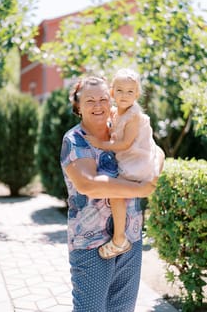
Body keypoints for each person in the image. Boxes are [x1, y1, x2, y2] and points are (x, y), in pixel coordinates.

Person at [60, 75, 164, 312]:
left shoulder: (123, 126)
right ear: (78, 105)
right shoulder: (75, 140)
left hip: (130, 238)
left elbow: (157, 153)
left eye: (103, 99)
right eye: (89, 100)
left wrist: (152, 178)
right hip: (91, 243)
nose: (98, 105)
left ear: (112, 100)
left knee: (123, 309)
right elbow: (89, 184)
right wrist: (140, 188)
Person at [85, 68, 161, 260]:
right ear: (112, 92)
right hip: (131, 158)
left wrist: (102, 144)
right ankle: (122, 235)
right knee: (118, 194)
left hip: (137, 162)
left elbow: (126, 143)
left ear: (137, 94)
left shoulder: (133, 115)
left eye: (130, 92)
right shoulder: (115, 111)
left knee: (116, 194)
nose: (125, 95)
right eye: (120, 91)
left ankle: (120, 239)